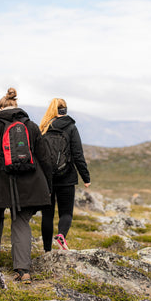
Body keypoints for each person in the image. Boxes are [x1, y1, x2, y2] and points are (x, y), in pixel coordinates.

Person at [0, 88, 51, 282]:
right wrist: (47, 184)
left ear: (0, 108)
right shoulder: (30, 125)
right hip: (28, 182)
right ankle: (23, 271)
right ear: (17, 106)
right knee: (21, 222)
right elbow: (44, 157)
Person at [39, 98, 91, 252]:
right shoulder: (71, 127)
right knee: (66, 212)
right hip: (66, 177)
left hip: (47, 178)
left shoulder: (44, 127)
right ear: (65, 110)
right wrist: (86, 177)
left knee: (47, 215)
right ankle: (61, 235)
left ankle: (47, 250)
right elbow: (77, 155)